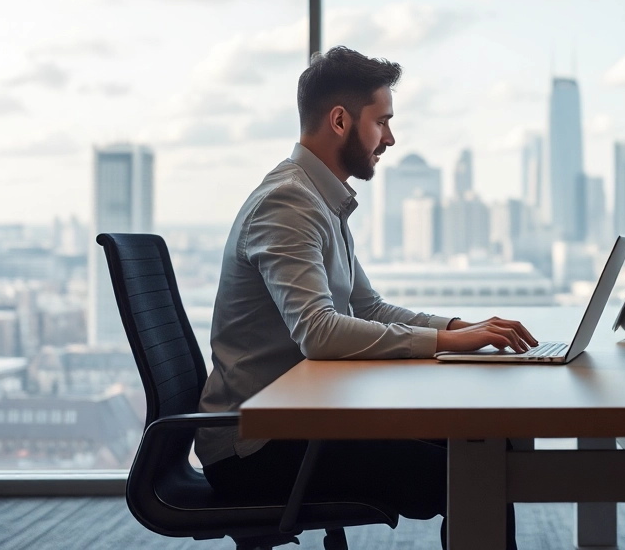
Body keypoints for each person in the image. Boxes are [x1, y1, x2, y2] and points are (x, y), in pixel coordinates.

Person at [196, 46, 535, 548]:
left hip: (297, 422)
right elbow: (319, 331)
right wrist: (444, 341)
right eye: (383, 122)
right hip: (257, 448)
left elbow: (369, 308)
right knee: (477, 468)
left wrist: (461, 329)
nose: (391, 138)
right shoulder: (288, 203)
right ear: (340, 120)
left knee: (487, 446)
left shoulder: (320, 199)